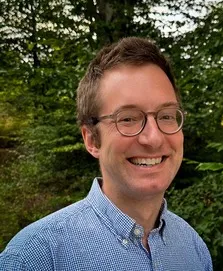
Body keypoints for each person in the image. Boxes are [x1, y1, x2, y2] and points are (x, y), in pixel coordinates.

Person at [0, 37, 212, 270]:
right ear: (92, 140)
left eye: (167, 116)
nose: (153, 138)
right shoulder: (35, 257)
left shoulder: (194, 248)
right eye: (128, 119)